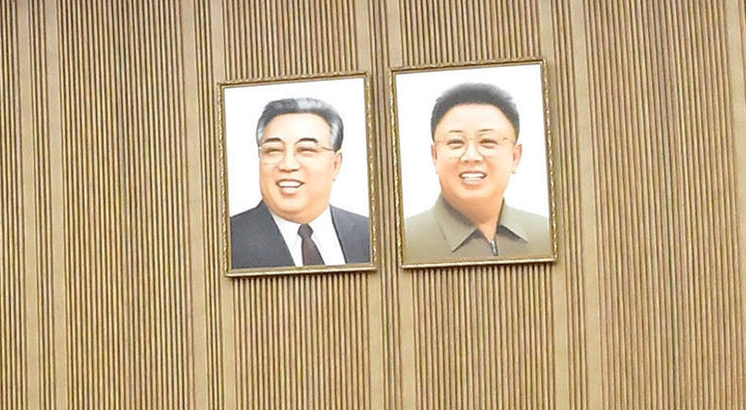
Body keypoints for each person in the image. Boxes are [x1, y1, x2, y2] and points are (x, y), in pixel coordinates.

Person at [228, 90, 373, 269]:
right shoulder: (224, 240)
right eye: (273, 150)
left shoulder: (372, 234)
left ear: (336, 164)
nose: (288, 165)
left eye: (306, 150)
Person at [406, 79, 537, 262]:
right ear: (435, 156)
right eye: (456, 142)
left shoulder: (549, 235)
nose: (471, 156)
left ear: (515, 157)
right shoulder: (403, 241)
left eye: (488, 142)